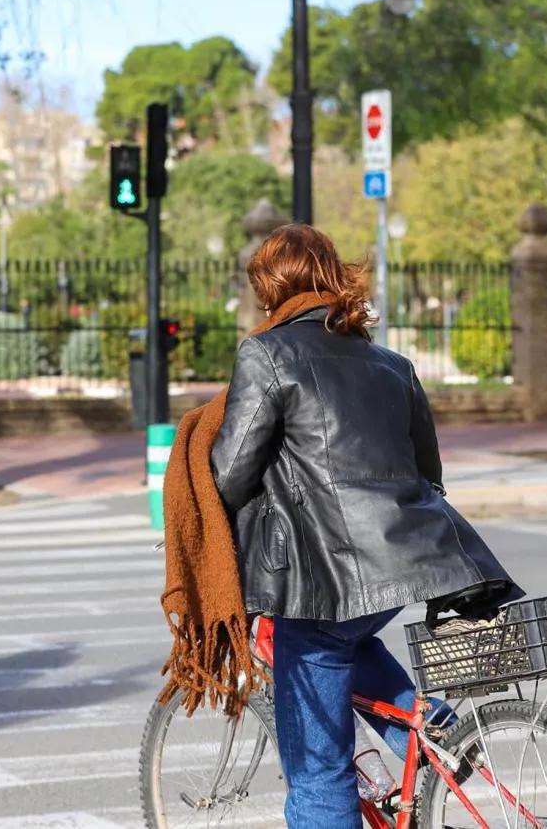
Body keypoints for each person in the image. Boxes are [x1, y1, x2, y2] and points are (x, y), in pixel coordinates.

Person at [205, 225, 521, 827]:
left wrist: (197, 525)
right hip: (411, 562)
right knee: (352, 638)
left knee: (318, 770)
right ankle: (433, 734)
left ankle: (421, 748)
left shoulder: (267, 353)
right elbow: (427, 469)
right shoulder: (391, 363)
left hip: (328, 577)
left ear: (272, 288)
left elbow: (232, 470)